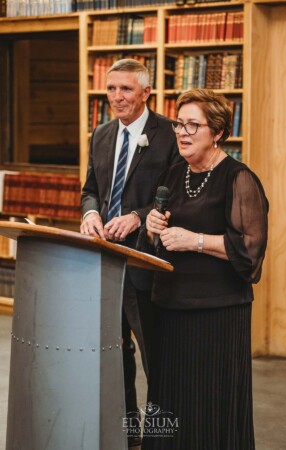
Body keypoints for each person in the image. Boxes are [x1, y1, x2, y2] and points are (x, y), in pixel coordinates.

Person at [139, 88, 268, 450]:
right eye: (180, 123)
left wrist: (196, 240)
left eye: (193, 125)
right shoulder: (175, 172)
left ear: (218, 133)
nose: (182, 132)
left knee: (210, 407)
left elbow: (251, 251)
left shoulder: (239, 178)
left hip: (217, 314)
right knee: (171, 406)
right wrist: (154, 229)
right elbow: (163, 240)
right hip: (170, 308)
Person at [80, 59, 180, 447]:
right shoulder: (101, 134)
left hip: (147, 265)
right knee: (114, 353)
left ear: (146, 93)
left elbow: (175, 200)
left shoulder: (171, 136)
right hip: (104, 262)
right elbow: (91, 188)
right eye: (111, 89)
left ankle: (164, 436)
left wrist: (137, 217)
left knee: (155, 356)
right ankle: (128, 432)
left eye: (125, 89)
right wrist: (90, 212)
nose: (116, 97)